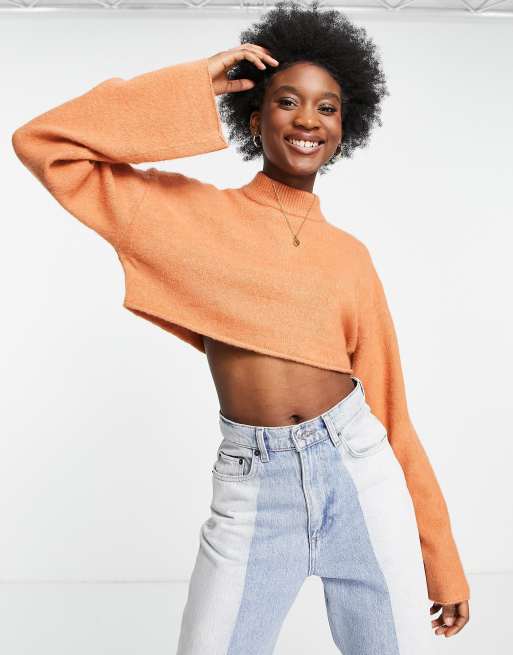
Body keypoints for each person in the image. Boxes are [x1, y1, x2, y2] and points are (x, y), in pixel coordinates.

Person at [12, 1, 470, 652]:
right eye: (287, 101)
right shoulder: (184, 216)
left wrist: (440, 556)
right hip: (254, 487)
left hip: (361, 474)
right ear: (254, 118)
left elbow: (391, 409)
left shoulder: (351, 258)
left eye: (327, 107)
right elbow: (46, 144)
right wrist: (190, 85)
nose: (307, 119)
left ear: (344, 130)